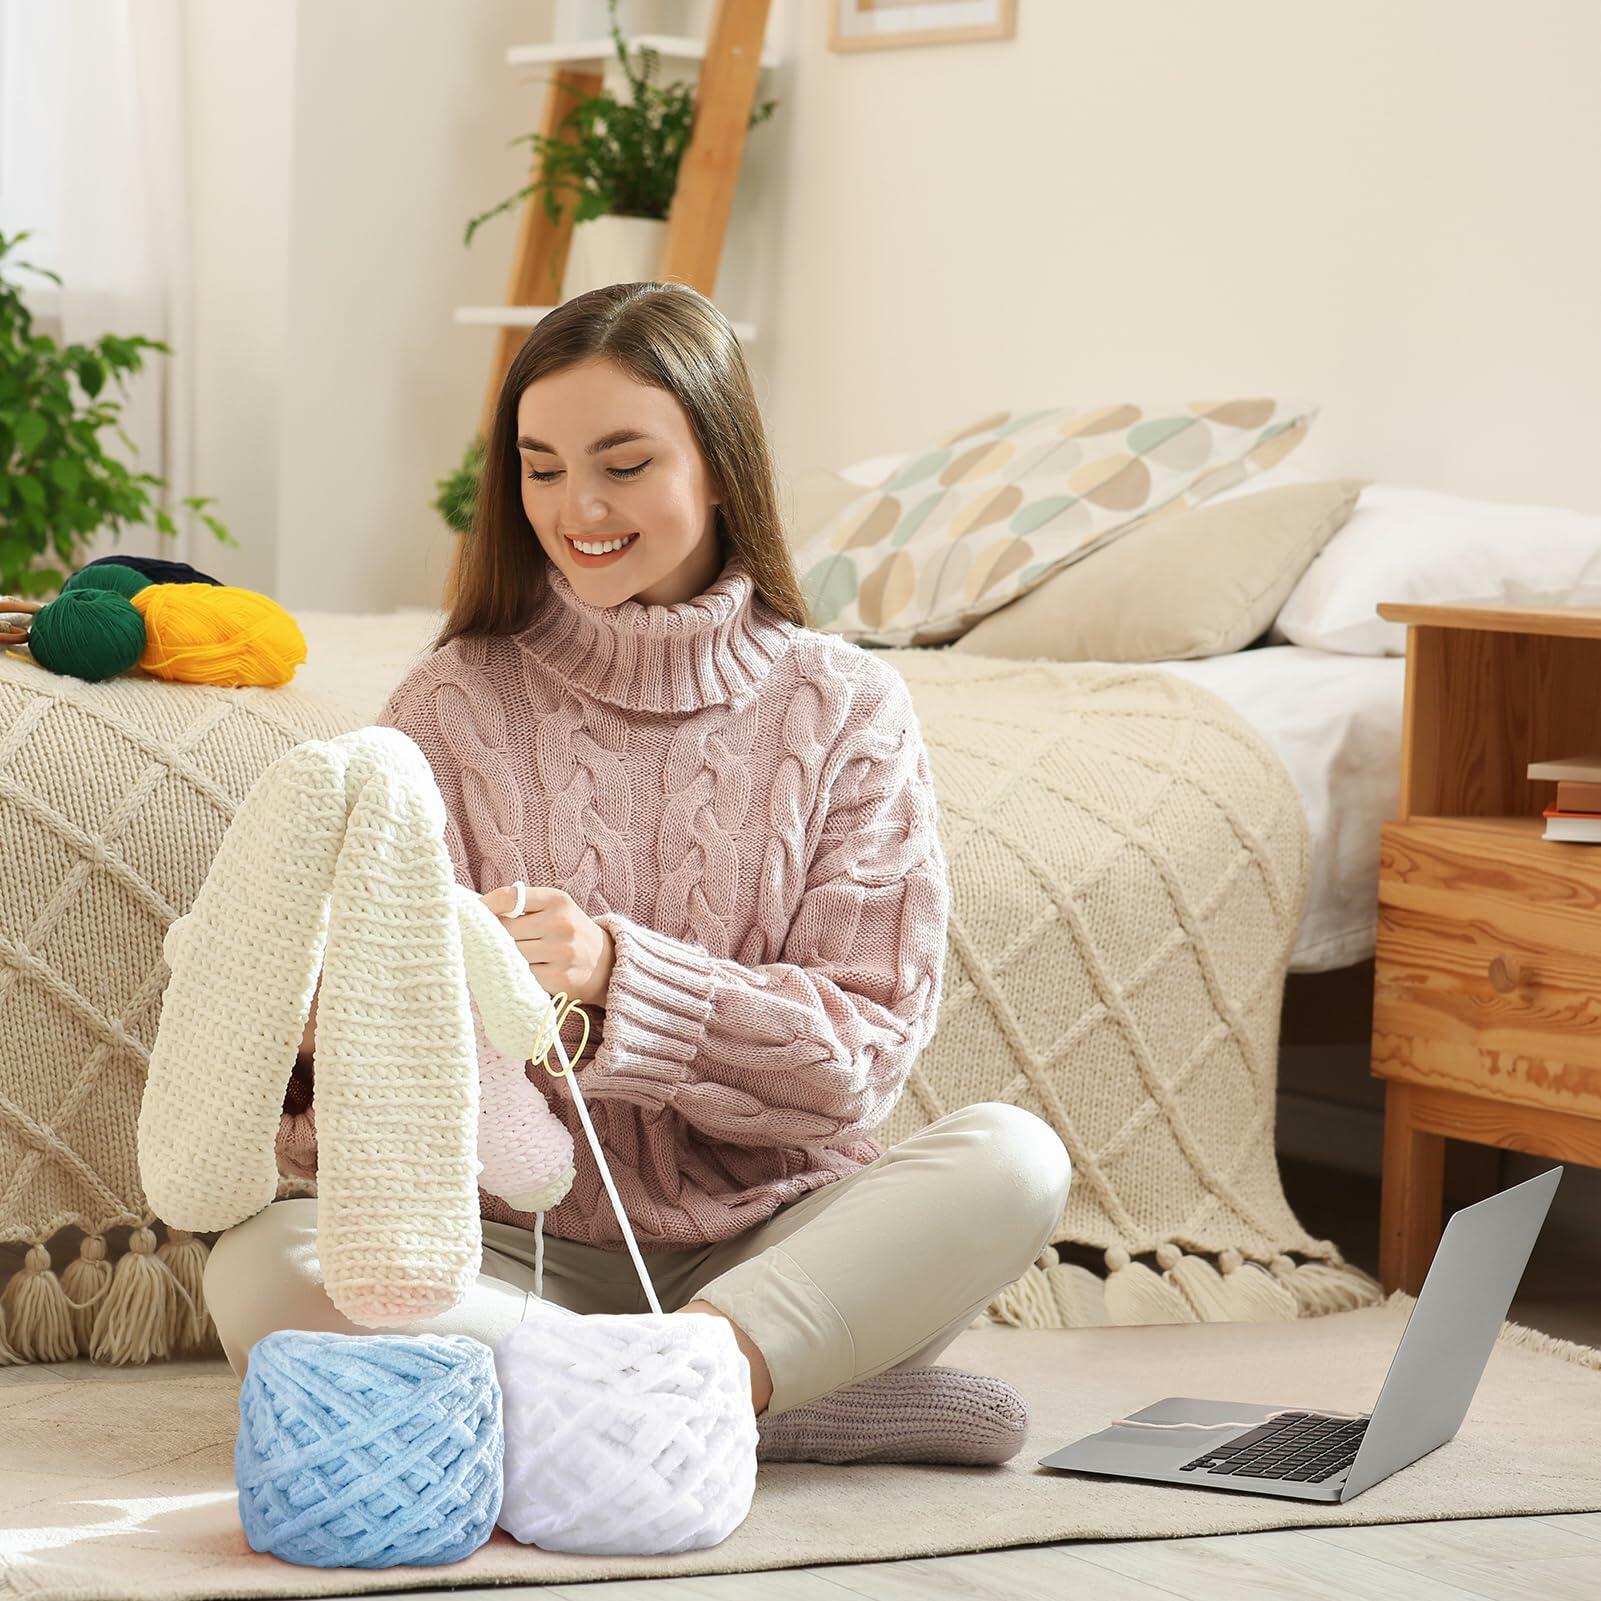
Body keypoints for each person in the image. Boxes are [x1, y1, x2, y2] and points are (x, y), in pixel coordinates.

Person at [203, 281, 1073, 1466]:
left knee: (1012, 1158)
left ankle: (624, 1391)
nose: (580, 507)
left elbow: (856, 1062)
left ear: (717, 466)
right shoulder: (454, 701)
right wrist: (324, 1032)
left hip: (770, 1240)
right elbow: (368, 1085)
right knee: (261, 1272)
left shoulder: (845, 705)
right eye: (542, 467)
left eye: (623, 461)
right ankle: (768, 1403)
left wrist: (625, 975)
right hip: (514, 1252)